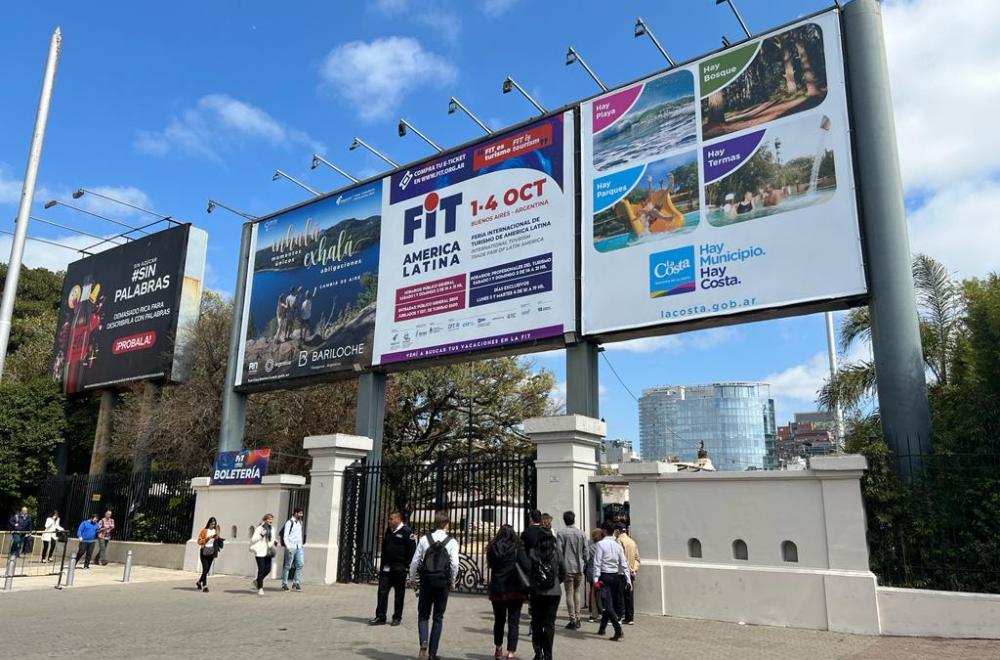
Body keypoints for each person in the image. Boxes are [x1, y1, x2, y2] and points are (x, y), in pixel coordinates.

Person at [408, 510, 459, 660]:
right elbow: (455, 564)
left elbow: (415, 562)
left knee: (423, 614)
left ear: (435, 523)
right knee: (438, 617)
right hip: (442, 581)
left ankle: (423, 641)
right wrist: (453, 581)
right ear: (447, 524)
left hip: (426, 581)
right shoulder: (452, 542)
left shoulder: (425, 539)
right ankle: (432, 653)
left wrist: (412, 579)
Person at [486, 525, 531, 660]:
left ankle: (498, 647)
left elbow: (491, 565)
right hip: (515, 588)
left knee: (499, 620)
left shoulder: (493, 547)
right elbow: (526, 565)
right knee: (513, 621)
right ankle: (511, 652)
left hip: (498, 588)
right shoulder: (518, 547)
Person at [370, 510, 416, 626]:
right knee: (382, 591)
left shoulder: (407, 532)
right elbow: (385, 548)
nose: (388, 521)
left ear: (397, 519)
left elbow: (412, 552)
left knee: (399, 593)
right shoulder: (388, 531)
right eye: (388, 519)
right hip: (387, 567)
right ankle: (380, 616)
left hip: (400, 567)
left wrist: (406, 566)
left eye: (391, 519)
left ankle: (397, 617)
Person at [591, 522, 631, 641]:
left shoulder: (600, 545)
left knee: (607, 605)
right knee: (610, 603)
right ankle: (602, 628)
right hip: (616, 576)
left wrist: (595, 579)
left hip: (605, 576)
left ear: (603, 531)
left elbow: (597, 563)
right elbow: (623, 564)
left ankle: (618, 630)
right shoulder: (617, 545)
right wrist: (628, 579)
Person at [530, 532, 566, 660]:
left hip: (538, 592)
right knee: (549, 624)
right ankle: (548, 654)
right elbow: (563, 572)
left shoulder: (533, 553)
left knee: (537, 623)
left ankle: (538, 652)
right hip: (554, 592)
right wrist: (555, 582)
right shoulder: (557, 553)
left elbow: (530, 572)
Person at [556, 511, 587, 630]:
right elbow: (586, 552)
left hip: (567, 567)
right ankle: (578, 618)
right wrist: (584, 562)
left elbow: (558, 551)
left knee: (569, 592)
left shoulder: (561, 533)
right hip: (579, 567)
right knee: (577, 591)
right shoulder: (581, 533)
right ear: (574, 519)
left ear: (564, 520)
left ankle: (572, 619)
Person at [614, 524, 640, 625]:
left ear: (618, 530)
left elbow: (621, 558)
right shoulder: (632, 541)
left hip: (621, 572)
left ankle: (619, 616)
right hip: (631, 573)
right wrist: (634, 569)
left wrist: (628, 568)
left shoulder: (618, 541)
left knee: (619, 595)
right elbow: (637, 558)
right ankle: (630, 618)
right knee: (629, 595)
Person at [250, 513, 279, 595]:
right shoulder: (259, 528)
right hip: (260, 552)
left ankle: (257, 581)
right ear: (265, 520)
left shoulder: (272, 529)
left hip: (268, 552)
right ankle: (260, 588)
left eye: (271, 519)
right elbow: (253, 539)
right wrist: (261, 535)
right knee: (261, 569)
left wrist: (275, 541)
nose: (271, 521)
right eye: (269, 519)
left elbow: (272, 538)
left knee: (268, 569)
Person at [281, 507, 305, 592]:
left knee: (300, 564)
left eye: (302, 513)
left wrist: (301, 545)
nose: (301, 515)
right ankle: (284, 584)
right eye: (300, 513)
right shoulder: (289, 522)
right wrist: (288, 547)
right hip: (291, 547)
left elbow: (299, 535)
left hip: (299, 547)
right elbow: (285, 536)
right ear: (295, 513)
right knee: (288, 565)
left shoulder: (300, 522)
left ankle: (296, 582)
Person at [196, 517, 222, 592]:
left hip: (211, 552)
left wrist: (218, 534)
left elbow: (217, 541)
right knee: (205, 568)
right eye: (212, 523)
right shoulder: (204, 531)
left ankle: (198, 582)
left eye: (214, 524)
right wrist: (208, 538)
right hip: (204, 551)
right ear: (209, 523)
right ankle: (205, 586)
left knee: (206, 570)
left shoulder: (215, 531)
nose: (213, 525)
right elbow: (199, 541)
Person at [586, 528, 605, 623]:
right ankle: (602, 610)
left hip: (592, 572)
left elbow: (587, 560)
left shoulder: (591, 547)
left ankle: (594, 613)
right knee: (602, 592)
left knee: (593, 593)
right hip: (601, 571)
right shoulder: (603, 546)